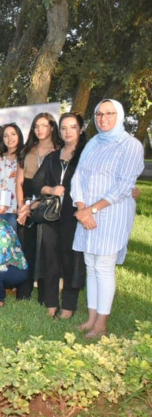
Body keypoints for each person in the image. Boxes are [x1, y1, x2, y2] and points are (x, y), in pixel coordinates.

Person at [71, 99, 144, 339]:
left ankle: (101, 323)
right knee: (90, 266)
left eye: (109, 113)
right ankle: (91, 318)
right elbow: (78, 176)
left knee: (103, 266)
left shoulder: (130, 145)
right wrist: (81, 207)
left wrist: (91, 210)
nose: (103, 119)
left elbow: (124, 186)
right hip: (86, 214)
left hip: (111, 214)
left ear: (119, 115)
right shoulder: (93, 142)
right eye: (99, 114)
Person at [31, 113, 86, 319]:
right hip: (51, 215)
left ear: (80, 129)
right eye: (63, 128)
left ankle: (69, 306)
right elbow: (36, 183)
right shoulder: (52, 157)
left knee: (71, 259)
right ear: (59, 131)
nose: (68, 131)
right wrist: (51, 189)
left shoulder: (86, 155)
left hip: (74, 215)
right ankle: (51, 302)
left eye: (72, 127)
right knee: (50, 258)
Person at [15, 113, 61, 300]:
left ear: (52, 127)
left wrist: (33, 205)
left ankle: (45, 295)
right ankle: (23, 292)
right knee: (26, 248)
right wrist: (22, 207)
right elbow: (19, 182)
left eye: (44, 125)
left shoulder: (59, 151)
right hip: (26, 203)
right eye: (36, 126)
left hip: (48, 204)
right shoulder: (26, 150)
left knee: (46, 250)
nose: (40, 129)